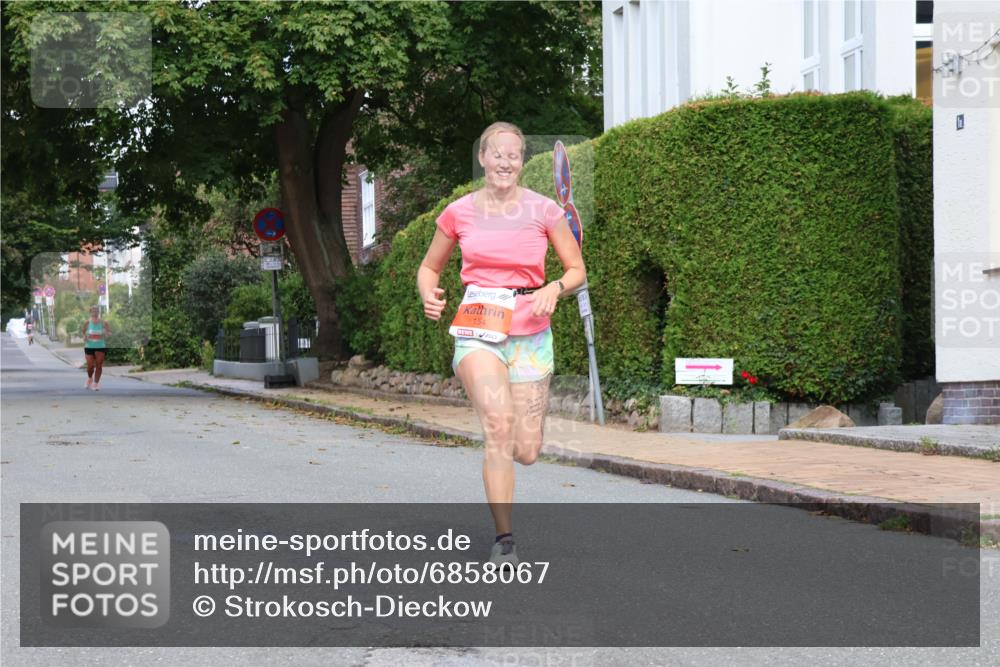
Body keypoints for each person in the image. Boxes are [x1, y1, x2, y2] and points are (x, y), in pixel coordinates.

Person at [417, 122, 586, 566]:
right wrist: (427, 294)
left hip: (530, 332)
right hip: (478, 328)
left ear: (522, 161)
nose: (505, 162)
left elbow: (576, 270)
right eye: (497, 154)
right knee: (498, 424)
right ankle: (505, 540)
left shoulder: (545, 210)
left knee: (526, 449)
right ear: (483, 158)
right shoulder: (458, 212)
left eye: (513, 155)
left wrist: (554, 288)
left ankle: (511, 461)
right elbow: (430, 268)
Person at [81, 305, 109, 391]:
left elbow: (108, 333)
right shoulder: (87, 322)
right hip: (89, 346)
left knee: (99, 365)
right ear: (90, 312)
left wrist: (105, 333)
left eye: (96, 310)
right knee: (90, 366)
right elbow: (83, 332)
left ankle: (95, 383)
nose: (95, 312)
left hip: (100, 346)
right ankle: (90, 378)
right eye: (93, 310)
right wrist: (84, 337)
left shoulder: (104, 322)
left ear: (99, 312)